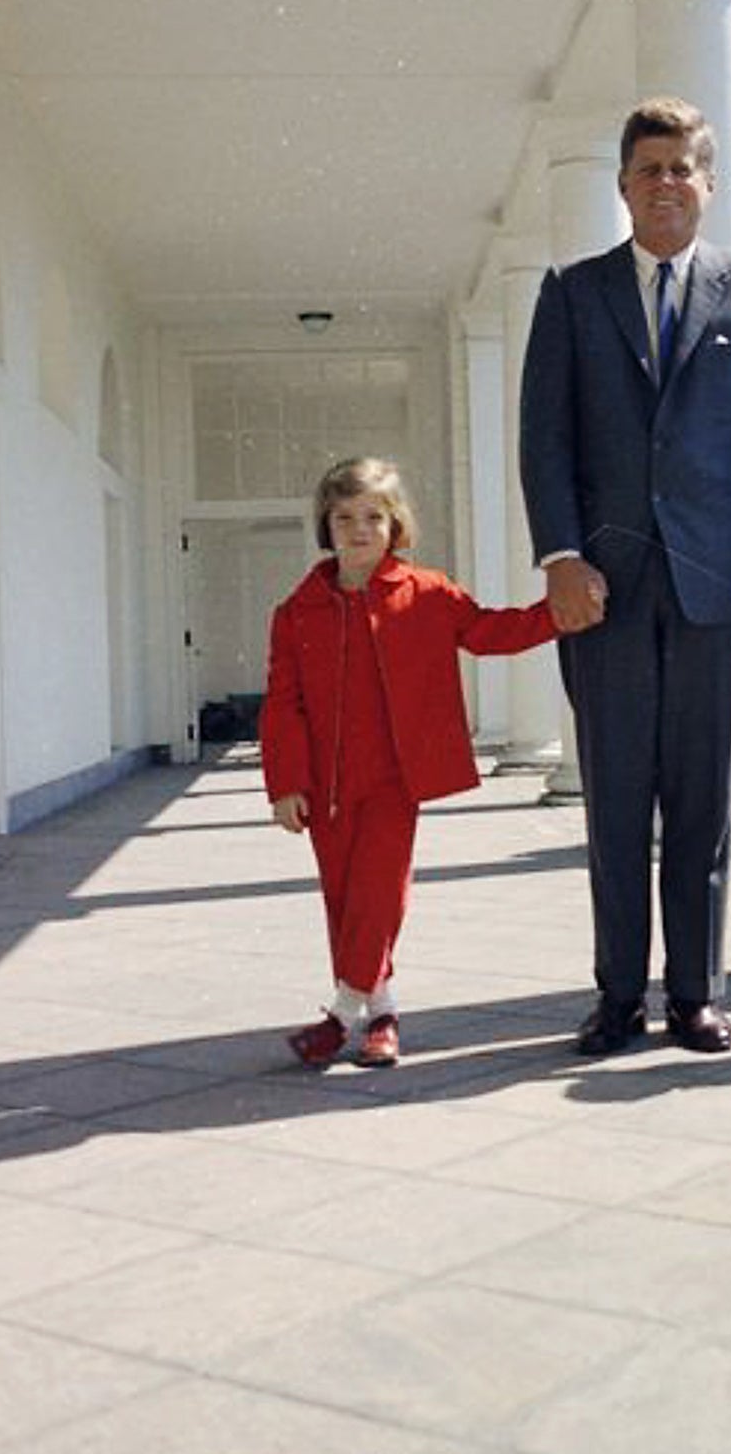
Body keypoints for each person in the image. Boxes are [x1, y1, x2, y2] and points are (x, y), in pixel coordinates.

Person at [519, 94, 731, 1056]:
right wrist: (560, 556)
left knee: (699, 801)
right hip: (602, 589)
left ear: (709, 183)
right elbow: (544, 440)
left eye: (683, 167)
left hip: (710, 589)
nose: (666, 183)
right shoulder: (571, 291)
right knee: (614, 801)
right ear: (623, 186)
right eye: (649, 168)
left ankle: (695, 994)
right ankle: (615, 998)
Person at [261, 457, 563, 1067]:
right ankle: (383, 1014)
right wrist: (286, 784)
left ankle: (341, 1015)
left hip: (395, 779)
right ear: (326, 525)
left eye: (373, 516)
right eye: (343, 517)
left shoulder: (426, 593)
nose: (358, 529)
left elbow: (488, 632)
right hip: (325, 787)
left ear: (396, 524)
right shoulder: (297, 612)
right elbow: (282, 705)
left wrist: (560, 614)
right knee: (345, 902)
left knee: (378, 894)